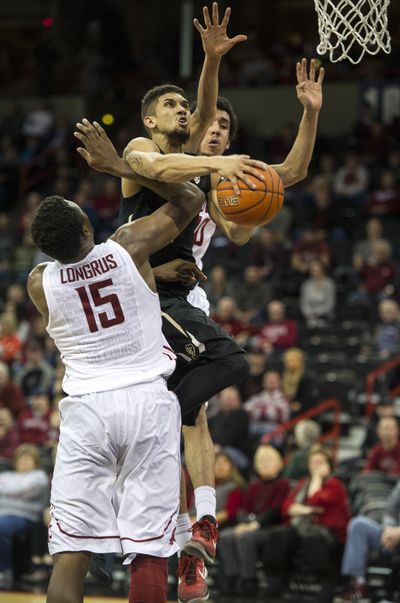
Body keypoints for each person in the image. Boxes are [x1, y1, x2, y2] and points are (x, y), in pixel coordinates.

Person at [75, 54, 324, 602]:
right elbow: (155, 177)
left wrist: (310, 115)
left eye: (223, 127)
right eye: (206, 122)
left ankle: (197, 532)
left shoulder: (220, 185)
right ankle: (120, 521)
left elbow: (289, 176)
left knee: (195, 410)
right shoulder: (158, 159)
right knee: (164, 406)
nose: (212, 127)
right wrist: (211, 63)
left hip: (186, 296)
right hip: (139, 291)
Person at [27, 180, 205, 603]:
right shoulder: (127, 246)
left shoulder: (39, 283)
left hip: (87, 411)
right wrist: (120, 166)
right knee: (148, 549)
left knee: (71, 552)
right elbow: (193, 199)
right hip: (146, 401)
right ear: (87, 228)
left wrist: (148, 272)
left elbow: (86, 288)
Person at [262, 445, 351, 603]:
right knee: (277, 536)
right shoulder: (303, 482)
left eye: (320, 462)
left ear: (329, 465)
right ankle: (276, 580)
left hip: (329, 532)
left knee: (312, 541)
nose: (316, 466)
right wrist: (304, 510)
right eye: (313, 463)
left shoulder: (335, 485)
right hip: (302, 527)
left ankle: (327, 584)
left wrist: (316, 479)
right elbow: (287, 507)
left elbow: (315, 499)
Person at [217, 445, 290, 595]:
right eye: (262, 461)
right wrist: (244, 523)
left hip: (270, 527)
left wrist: (255, 524)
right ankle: (233, 575)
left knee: (245, 537)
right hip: (250, 524)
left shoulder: (283, 484)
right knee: (225, 536)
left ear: (278, 463)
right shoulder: (254, 486)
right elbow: (243, 508)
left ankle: (249, 579)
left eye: (270, 460)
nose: (265, 464)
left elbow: (276, 510)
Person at [335, 481, 400, 603]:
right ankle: (359, 585)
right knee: (359, 524)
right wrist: (388, 530)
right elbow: (391, 511)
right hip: (392, 536)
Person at [0, 443, 48, 589]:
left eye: (28, 458)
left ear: (35, 461)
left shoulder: (39, 477)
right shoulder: (6, 475)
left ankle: (3, 571)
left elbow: (26, 490)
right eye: (21, 458)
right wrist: (14, 492)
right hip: (2, 514)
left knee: (1, 527)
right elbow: (18, 491)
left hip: (25, 517)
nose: (24, 461)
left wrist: (4, 492)